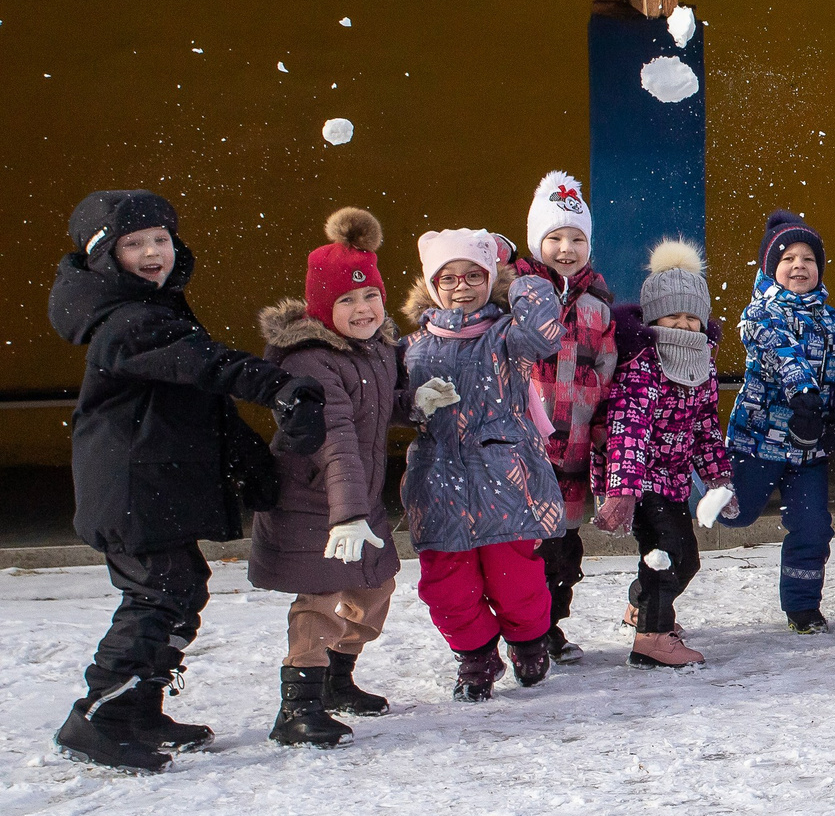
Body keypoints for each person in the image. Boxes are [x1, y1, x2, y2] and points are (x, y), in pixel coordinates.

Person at [48, 191, 325, 772]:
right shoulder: (127, 321)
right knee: (159, 594)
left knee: (179, 589)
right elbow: (205, 364)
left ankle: (140, 708)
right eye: (134, 243)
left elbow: (201, 397)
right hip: (129, 487)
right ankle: (99, 718)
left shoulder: (154, 306)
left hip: (151, 481)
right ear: (103, 256)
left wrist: (253, 464)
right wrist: (277, 385)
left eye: (161, 239)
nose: (153, 252)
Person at [250, 207, 406, 745]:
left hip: (357, 499)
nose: (363, 309)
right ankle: (297, 706)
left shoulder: (377, 348)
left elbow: (376, 407)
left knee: (378, 582)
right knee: (319, 599)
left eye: (370, 297)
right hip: (315, 501)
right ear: (322, 306)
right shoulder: (309, 361)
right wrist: (348, 514)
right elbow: (334, 435)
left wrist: (416, 402)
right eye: (347, 300)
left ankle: (339, 680)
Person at [401, 227, 571, 700]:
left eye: (474, 275)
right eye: (448, 277)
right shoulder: (411, 344)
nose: (461, 286)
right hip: (437, 481)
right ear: (432, 283)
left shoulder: (508, 335)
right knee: (445, 585)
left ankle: (529, 642)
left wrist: (519, 270)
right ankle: (476, 656)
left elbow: (545, 328)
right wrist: (414, 403)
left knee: (514, 580)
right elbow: (389, 403)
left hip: (507, 478)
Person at [717, 211, 835, 633]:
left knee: (813, 526)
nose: (799, 265)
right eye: (788, 259)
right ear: (770, 268)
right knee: (735, 515)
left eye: (808, 259)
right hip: (758, 440)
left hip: (808, 447)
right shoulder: (760, 314)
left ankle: (802, 607)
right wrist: (804, 398)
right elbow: (786, 358)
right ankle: (697, 488)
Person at [596, 241, 729, 668]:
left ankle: (642, 605)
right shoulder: (643, 364)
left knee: (679, 559)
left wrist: (718, 480)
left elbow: (706, 427)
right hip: (640, 481)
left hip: (672, 480)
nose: (684, 325)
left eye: (693, 317)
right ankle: (651, 638)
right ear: (654, 318)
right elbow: (627, 430)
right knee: (673, 554)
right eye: (673, 315)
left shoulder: (702, 363)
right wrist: (622, 490)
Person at [516, 172, 617, 665]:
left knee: (563, 552)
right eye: (554, 237)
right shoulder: (517, 298)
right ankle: (522, 633)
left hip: (574, 449)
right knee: (522, 550)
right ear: (538, 242)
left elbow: (608, 368)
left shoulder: (598, 308)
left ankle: (550, 627)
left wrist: (599, 424)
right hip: (523, 451)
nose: (566, 248)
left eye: (577, 238)